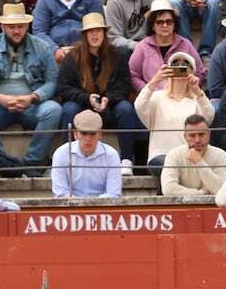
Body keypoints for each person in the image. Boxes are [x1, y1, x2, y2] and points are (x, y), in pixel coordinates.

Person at [0, 3, 62, 174]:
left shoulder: (43, 47)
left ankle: (33, 162)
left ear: (27, 26)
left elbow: (53, 82)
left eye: (20, 26)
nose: (16, 31)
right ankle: (2, 161)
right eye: (11, 27)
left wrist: (33, 97)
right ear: (3, 26)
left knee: (53, 110)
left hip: (32, 105)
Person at [57, 13, 140, 173]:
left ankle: (126, 160)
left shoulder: (118, 55)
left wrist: (109, 98)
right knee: (68, 109)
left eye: (98, 31)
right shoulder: (72, 57)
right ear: (84, 35)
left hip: (109, 106)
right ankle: (66, 158)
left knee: (126, 109)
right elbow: (64, 87)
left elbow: (124, 84)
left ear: (104, 33)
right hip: (83, 106)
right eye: (91, 31)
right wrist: (86, 98)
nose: (95, 35)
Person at [136, 52, 215, 173]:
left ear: (191, 71)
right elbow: (139, 106)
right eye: (175, 64)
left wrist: (197, 90)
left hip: (189, 156)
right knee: (171, 168)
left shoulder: (196, 99)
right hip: (160, 155)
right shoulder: (157, 97)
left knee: (182, 168)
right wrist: (155, 80)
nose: (180, 66)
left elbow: (209, 116)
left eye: (185, 64)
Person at [128, 0, 205, 91]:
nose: (165, 25)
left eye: (169, 21)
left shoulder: (186, 45)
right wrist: (146, 90)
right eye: (160, 22)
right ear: (152, 25)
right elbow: (133, 75)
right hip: (152, 99)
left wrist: (188, 88)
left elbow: (199, 72)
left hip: (181, 98)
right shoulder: (142, 47)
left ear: (174, 24)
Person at [50, 109, 123, 197]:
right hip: (71, 208)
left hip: (102, 208)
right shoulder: (61, 154)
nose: (88, 139)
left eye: (92, 133)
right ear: (75, 134)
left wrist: (91, 206)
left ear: (100, 134)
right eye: (84, 133)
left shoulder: (111, 155)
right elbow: (60, 193)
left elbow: (113, 193)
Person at [159, 113, 226, 194]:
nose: (197, 140)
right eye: (192, 135)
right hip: (181, 205)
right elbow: (168, 189)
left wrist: (199, 162)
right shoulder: (174, 155)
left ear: (209, 134)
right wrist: (201, 193)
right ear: (185, 137)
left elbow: (220, 190)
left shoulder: (220, 155)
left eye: (201, 134)